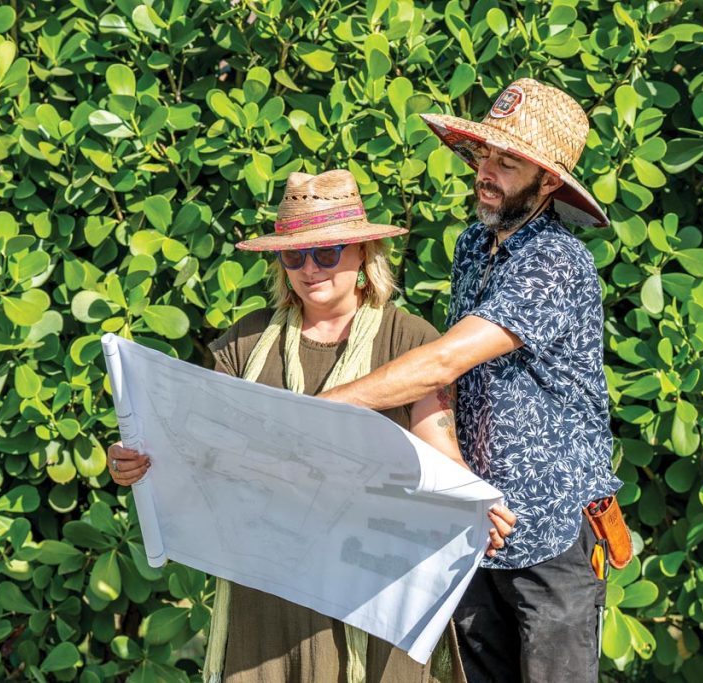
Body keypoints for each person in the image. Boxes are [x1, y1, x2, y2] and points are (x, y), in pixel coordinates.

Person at [105, 169, 516, 683]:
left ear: (363, 254)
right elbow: (198, 451)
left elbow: (439, 447)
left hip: (370, 583)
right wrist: (138, 460)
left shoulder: (408, 337)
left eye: (327, 252)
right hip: (268, 590)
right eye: (294, 255)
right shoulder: (243, 344)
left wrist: (475, 501)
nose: (310, 268)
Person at [319, 79, 624, 682]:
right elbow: (459, 388)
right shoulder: (473, 245)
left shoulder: (557, 261)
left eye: (509, 163)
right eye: (485, 154)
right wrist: (460, 482)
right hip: (483, 523)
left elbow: (443, 363)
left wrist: (323, 407)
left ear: (550, 182)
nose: (487, 170)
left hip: (554, 529)